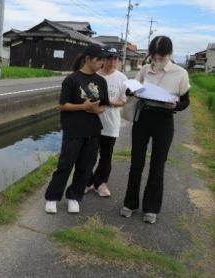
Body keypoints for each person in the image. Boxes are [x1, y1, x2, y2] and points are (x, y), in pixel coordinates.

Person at [120, 36, 190, 224]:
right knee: (136, 161)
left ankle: (151, 208)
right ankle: (130, 203)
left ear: (170, 55)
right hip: (143, 116)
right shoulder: (144, 69)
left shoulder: (180, 73)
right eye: (154, 58)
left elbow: (185, 101)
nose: (157, 62)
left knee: (158, 165)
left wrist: (174, 106)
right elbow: (131, 88)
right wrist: (131, 90)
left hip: (164, 120)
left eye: (161, 58)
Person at [45, 44, 110, 214]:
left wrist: (96, 110)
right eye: (99, 60)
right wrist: (84, 106)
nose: (101, 63)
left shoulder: (101, 81)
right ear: (87, 59)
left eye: (103, 60)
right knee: (65, 165)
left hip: (93, 130)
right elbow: (63, 105)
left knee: (86, 166)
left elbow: (103, 106)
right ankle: (52, 197)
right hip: (73, 129)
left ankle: (74, 196)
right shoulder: (72, 79)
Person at [85, 47, 127, 197]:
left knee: (106, 156)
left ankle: (100, 183)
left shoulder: (122, 78)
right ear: (103, 59)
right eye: (109, 57)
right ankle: (88, 182)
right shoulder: (94, 75)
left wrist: (109, 102)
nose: (112, 61)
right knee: (89, 155)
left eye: (115, 58)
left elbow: (123, 101)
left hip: (111, 123)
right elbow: (87, 98)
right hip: (92, 122)